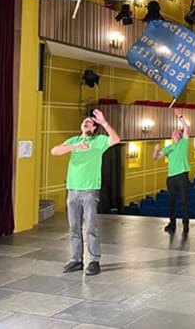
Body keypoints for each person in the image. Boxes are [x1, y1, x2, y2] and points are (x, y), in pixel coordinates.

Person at [51, 108, 120, 276]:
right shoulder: (73, 140)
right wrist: (75, 145)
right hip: (72, 190)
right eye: (85, 121)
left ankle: (94, 260)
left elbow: (116, 139)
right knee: (73, 227)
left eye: (90, 122)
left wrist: (104, 122)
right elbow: (54, 151)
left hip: (89, 190)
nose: (86, 123)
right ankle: (76, 259)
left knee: (91, 227)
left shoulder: (99, 141)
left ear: (94, 128)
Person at [153, 108, 191, 234]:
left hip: (182, 175)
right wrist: (155, 150)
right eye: (172, 133)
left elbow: (186, 129)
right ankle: (172, 223)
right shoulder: (169, 147)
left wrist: (180, 117)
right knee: (171, 201)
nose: (173, 133)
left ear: (179, 136)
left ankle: (185, 225)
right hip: (171, 177)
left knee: (184, 200)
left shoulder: (183, 143)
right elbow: (156, 158)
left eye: (175, 132)